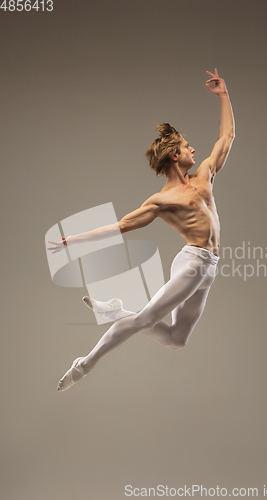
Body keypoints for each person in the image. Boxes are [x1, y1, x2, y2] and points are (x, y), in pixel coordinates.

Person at [47, 68, 235, 391]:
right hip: (192, 264)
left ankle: (119, 310)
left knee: (176, 340)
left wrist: (224, 95)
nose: (194, 149)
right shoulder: (162, 200)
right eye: (188, 146)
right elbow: (121, 226)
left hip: (210, 268)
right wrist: (73, 240)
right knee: (145, 320)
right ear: (175, 156)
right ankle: (84, 364)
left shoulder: (205, 175)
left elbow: (227, 137)